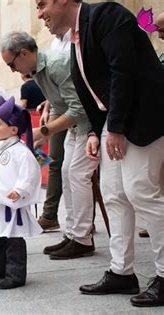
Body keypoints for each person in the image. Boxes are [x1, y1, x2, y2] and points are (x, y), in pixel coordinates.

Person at [35, 0, 164, 307]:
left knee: (141, 192)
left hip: (143, 119)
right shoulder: (75, 38)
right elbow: (93, 92)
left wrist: (114, 128)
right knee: (114, 194)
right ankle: (121, 272)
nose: (40, 14)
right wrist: (96, 131)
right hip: (114, 122)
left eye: (42, 4)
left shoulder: (107, 14)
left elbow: (124, 71)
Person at [1, 31, 98, 260]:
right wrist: (45, 133)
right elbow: (58, 104)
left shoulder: (55, 65)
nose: (13, 71)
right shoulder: (38, 71)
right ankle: (74, 234)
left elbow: (78, 109)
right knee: (66, 173)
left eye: (11, 64)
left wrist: (44, 131)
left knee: (77, 175)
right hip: (75, 128)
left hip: (89, 126)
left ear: (24, 53)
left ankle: (83, 238)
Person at [0, 97, 42, 289]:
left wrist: (20, 190)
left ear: (14, 129)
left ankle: (15, 275)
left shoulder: (20, 151)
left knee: (13, 241)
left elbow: (30, 173)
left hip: (11, 206)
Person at [36, 29, 71, 232]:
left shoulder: (80, 34)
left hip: (77, 107)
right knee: (55, 162)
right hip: (57, 108)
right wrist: (48, 109)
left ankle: (84, 224)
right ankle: (49, 215)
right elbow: (53, 84)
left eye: (43, 6)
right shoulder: (55, 44)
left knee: (79, 172)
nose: (42, 15)